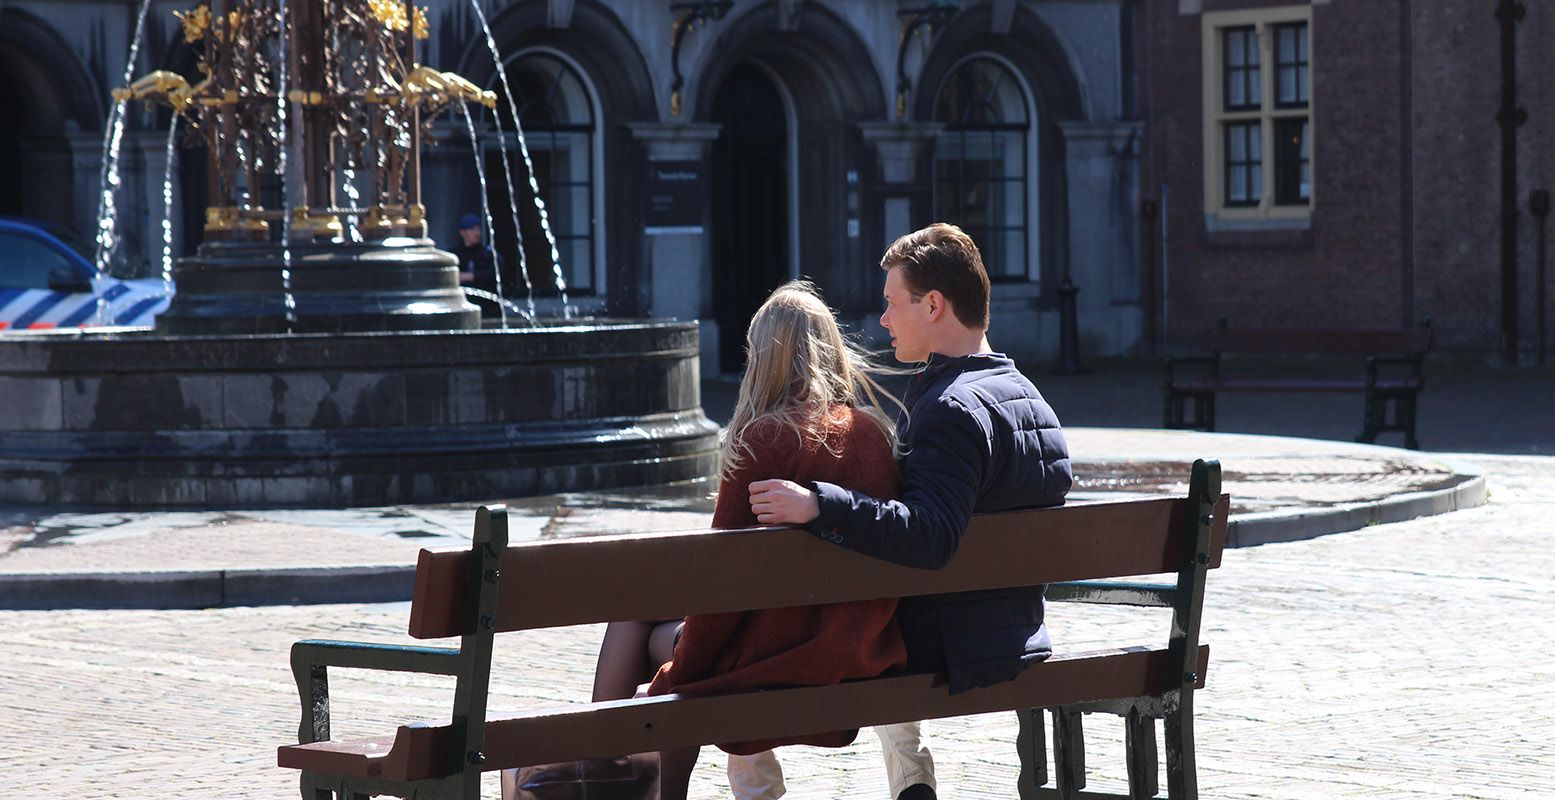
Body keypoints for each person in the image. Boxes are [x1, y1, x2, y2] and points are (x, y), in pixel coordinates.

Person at [551, 281, 915, 800]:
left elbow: (721, 589)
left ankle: (609, 774)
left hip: (781, 656)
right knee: (663, 633)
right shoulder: (873, 434)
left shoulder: (763, 439)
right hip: (858, 650)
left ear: (762, 358)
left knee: (638, 624)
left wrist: (680, 674)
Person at [747, 223, 1073, 800]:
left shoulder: (952, 408)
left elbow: (930, 535)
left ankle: (751, 788)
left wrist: (818, 503)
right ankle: (909, 778)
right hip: (1015, 629)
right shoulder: (1027, 395)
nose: (884, 321)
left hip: (949, 644)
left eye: (893, 304)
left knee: (750, 634)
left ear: (933, 305)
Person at [453, 212, 496, 292]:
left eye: (478, 229)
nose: (477, 233)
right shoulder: (454, 255)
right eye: (472, 229)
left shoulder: (487, 253)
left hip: (484, 298)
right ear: (462, 232)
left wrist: (469, 276)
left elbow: (493, 275)